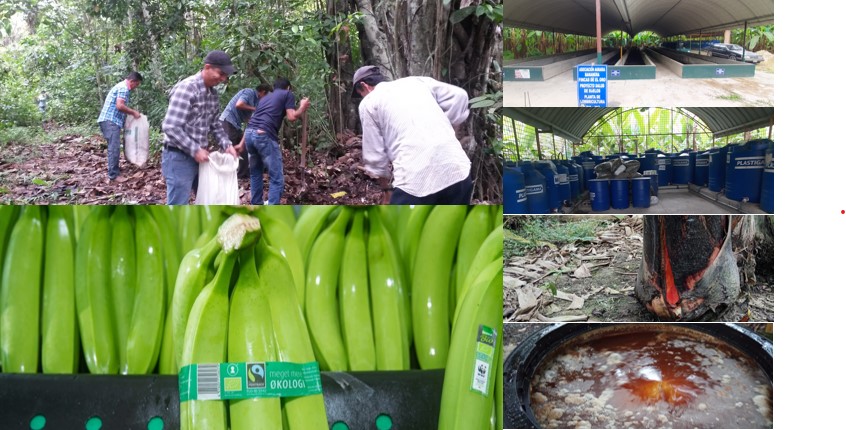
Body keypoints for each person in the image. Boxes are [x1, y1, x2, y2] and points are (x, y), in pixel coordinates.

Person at [352, 65, 473, 204]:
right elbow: (460, 96)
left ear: (364, 86)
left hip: (415, 181)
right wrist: (448, 130)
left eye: (360, 94)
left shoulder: (369, 102)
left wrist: (386, 191)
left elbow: (375, 157)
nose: (362, 97)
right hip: (458, 170)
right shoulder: (416, 82)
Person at [161, 50, 239, 204]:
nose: (223, 79)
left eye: (226, 76)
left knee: (205, 199)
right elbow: (171, 127)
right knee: (179, 204)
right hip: (179, 157)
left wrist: (227, 145)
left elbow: (215, 124)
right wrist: (195, 150)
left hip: (201, 158)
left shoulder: (213, 95)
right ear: (207, 67)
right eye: (220, 73)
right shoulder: (187, 88)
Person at [241, 78, 310, 205]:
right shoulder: (287, 94)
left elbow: (255, 118)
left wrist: (241, 143)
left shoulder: (265, 98)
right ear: (288, 87)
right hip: (264, 135)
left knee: (256, 173)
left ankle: (256, 205)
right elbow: (291, 117)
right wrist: (302, 107)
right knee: (276, 178)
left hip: (249, 134)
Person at [97, 72, 143, 181]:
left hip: (109, 121)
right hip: (110, 121)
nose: (135, 87)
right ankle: (114, 175)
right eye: (136, 85)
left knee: (114, 147)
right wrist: (133, 112)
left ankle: (114, 170)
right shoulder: (124, 88)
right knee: (114, 148)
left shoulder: (120, 86)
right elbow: (120, 106)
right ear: (132, 81)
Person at [219, 83, 272, 177]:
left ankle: (242, 175)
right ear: (263, 92)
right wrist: (255, 109)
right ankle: (220, 174)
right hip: (228, 121)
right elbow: (239, 104)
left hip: (236, 125)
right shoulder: (249, 92)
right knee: (228, 147)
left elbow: (250, 120)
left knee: (244, 148)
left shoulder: (257, 102)